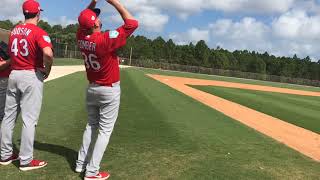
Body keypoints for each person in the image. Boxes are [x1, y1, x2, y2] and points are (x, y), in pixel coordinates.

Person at [76, 0, 138, 179]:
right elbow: (132, 23)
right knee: (104, 131)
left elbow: (82, 21)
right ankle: (92, 172)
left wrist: (92, 3)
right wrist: (115, 2)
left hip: (92, 88)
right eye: (97, 17)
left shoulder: (81, 37)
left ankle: (81, 164)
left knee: (91, 125)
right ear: (95, 23)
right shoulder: (104, 39)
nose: (99, 18)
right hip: (108, 90)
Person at [0, 0, 54, 171]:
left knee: (8, 117)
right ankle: (25, 160)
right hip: (30, 75)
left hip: (14, 74)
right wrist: (48, 70)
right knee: (29, 120)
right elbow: (48, 53)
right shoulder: (39, 32)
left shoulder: (15, 30)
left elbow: (10, 52)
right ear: (38, 13)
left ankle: (5, 154)